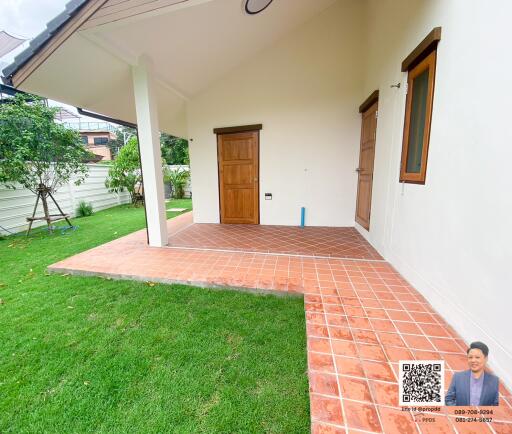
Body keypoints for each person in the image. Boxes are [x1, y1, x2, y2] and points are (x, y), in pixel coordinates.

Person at [445, 341, 499, 406]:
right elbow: (449, 399)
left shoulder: (494, 381)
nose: (473, 360)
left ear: (486, 359)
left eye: (477, 357)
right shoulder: (458, 377)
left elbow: (496, 404)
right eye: (470, 357)